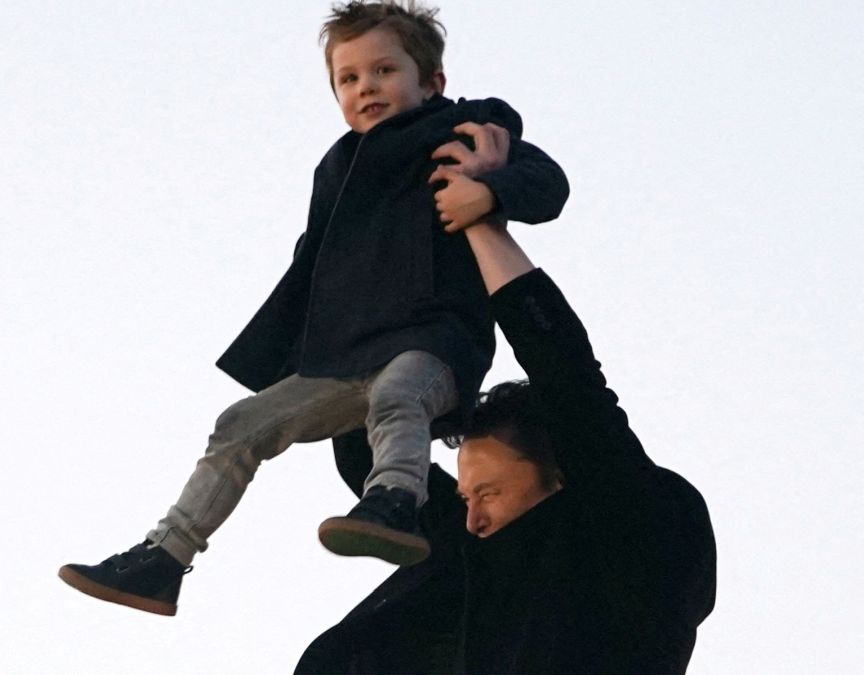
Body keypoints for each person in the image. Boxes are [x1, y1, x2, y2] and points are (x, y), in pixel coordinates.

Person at [58, 0, 569, 617]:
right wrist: (281, 355)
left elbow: (549, 184)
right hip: (350, 354)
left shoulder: (463, 128)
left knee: (399, 395)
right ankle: (163, 559)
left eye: (384, 71)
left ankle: (395, 503)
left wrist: (488, 191)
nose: (366, 88)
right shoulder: (338, 168)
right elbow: (313, 263)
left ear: (431, 81)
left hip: (435, 340)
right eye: (348, 80)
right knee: (240, 425)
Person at [295, 162, 717, 672]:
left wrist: (481, 222)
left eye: (490, 493)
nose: (472, 519)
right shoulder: (472, 550)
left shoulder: (634, 530)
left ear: (562, 477)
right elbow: (365, 442)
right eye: (467, 497)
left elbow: (565, 371)